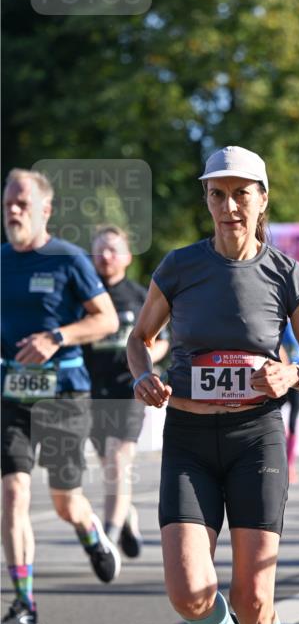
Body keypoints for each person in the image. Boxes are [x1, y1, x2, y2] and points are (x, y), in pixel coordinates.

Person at [126, 146, 299, 624]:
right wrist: (143, 376)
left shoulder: (286, 274)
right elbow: (141, 339)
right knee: (189, 592)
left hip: (257, 440)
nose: (228, 206)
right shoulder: (180, 266)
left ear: (263, 198)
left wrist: (292, 375)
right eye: (217, 194)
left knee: (255, 595)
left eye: (241, 193)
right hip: (188, 437)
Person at [1, 169, 121, 624]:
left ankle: (90, 528)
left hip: (65, 392)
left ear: (44, 210)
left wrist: (58, 337)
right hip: (11, 393)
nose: (12, 211)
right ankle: (25, 606)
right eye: (8, 203)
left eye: (21, 204)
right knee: (13, 495)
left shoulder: (68, 259)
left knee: (65, 500)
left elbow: (106, 319)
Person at [84, 226, 170, 555]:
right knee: (110, 467)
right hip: (92, 391)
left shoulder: (140, 296)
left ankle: (107, 536)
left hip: (130, 389)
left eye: (112, 249)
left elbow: (163, 342)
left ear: (127, 256)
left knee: (120, 461)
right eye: (99, 249)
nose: (105, 256)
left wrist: (145, 364)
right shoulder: (83, 298)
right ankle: (126, 514)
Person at [280, 318, 299, 484]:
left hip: (298, 375)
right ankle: (283, 463)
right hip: (281, 373)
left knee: (293, 422)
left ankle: (290, 465)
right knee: (277, 419)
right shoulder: (276, 321)